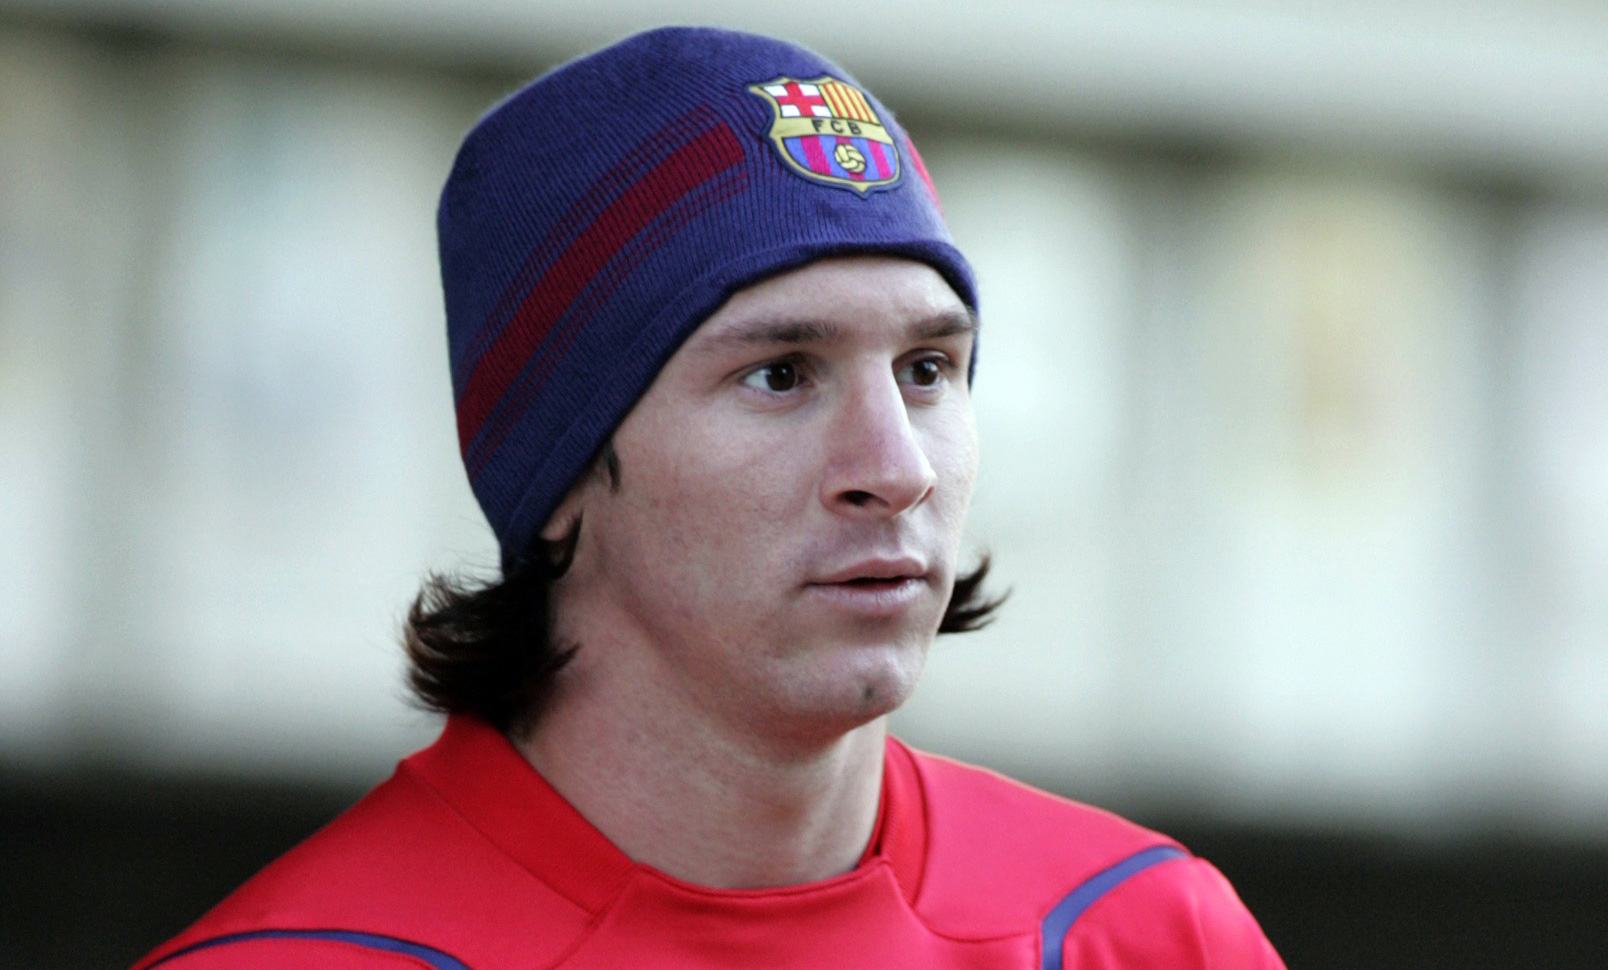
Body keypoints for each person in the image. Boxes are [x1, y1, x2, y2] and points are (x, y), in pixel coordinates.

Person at [133, 26, 1285, 970]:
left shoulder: (1147, 932)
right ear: (561, 471)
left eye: (929, 369)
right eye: (781, 374)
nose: (898, 467)